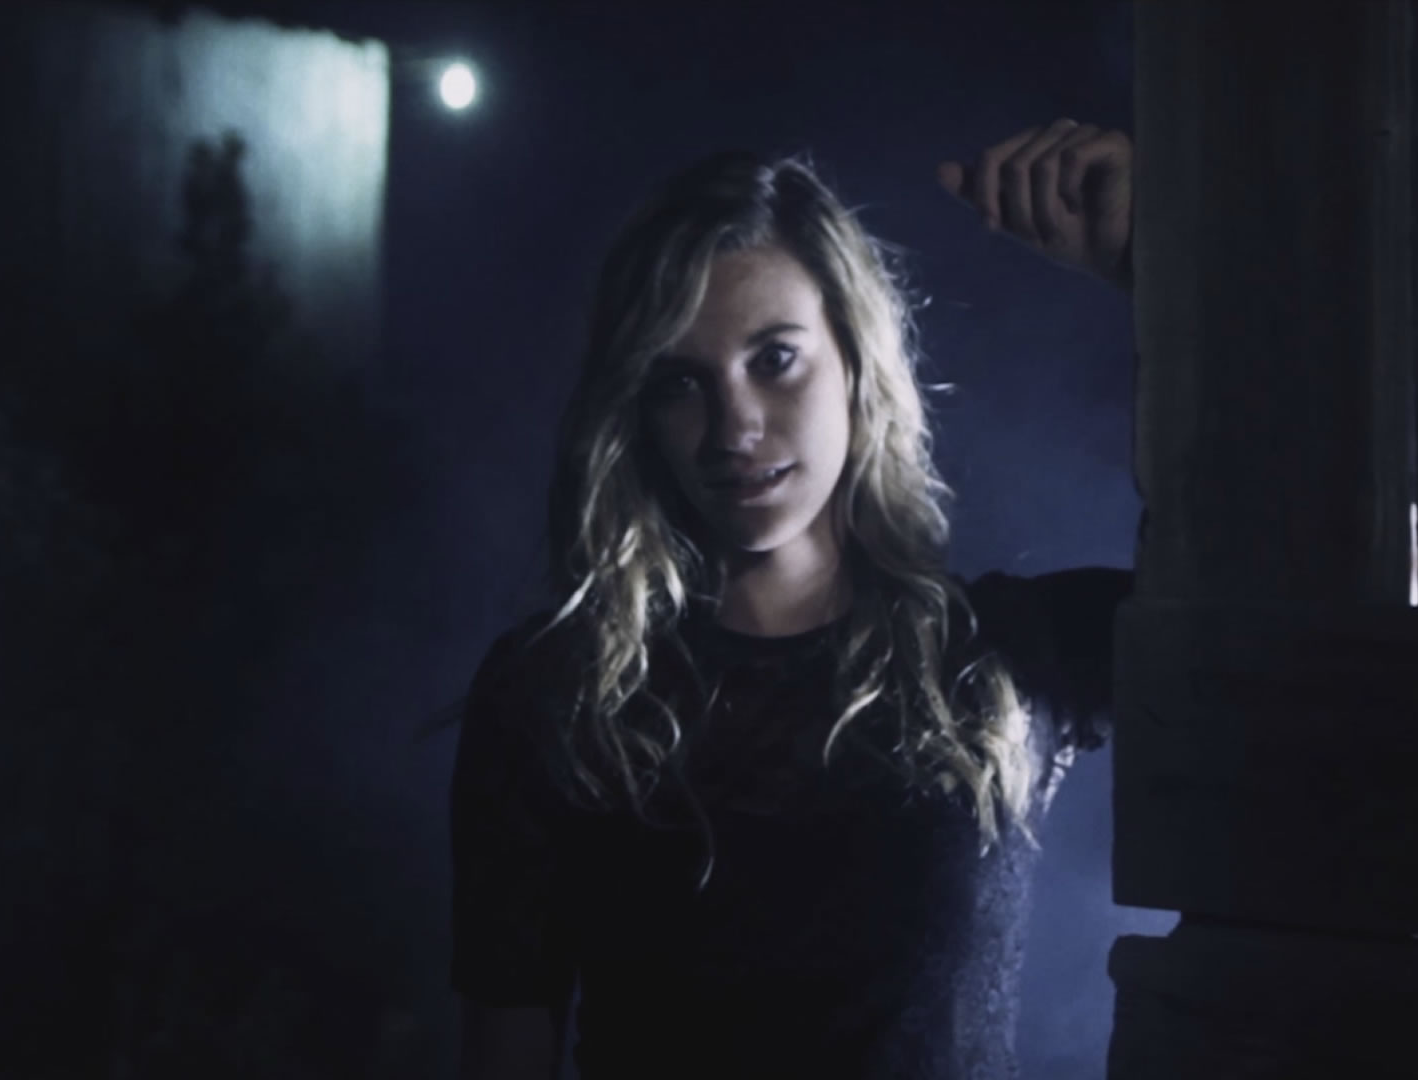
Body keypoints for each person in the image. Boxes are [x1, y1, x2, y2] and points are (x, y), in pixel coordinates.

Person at [451, 118, 1136, 1079]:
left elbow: (1274, 572)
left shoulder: (1011, 656)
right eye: (680, 382)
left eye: (775, 358)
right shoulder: (557, 694)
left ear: (855, 357)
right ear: (638, 409)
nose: (734, 429)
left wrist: (1150, 269)